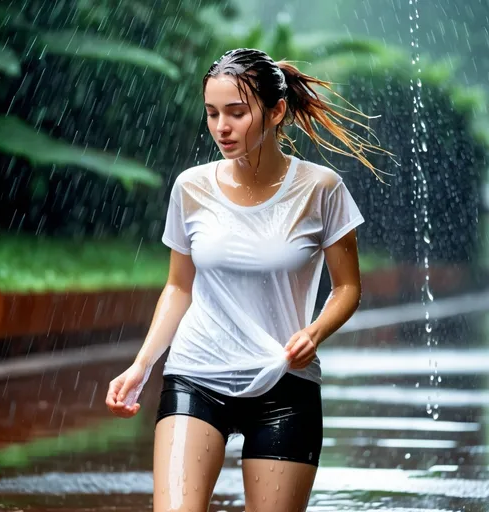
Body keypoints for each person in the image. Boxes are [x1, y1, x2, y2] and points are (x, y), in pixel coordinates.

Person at [106, 48, 391, 511]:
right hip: (197, 373)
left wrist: (315, 332)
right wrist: (141, 367)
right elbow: (179, 287)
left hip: (285, 380)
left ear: (276, 111)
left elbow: (348, 288)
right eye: (213, 113)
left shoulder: (322, 189)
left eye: (237, 113)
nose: (222, 127)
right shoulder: (191, 188)